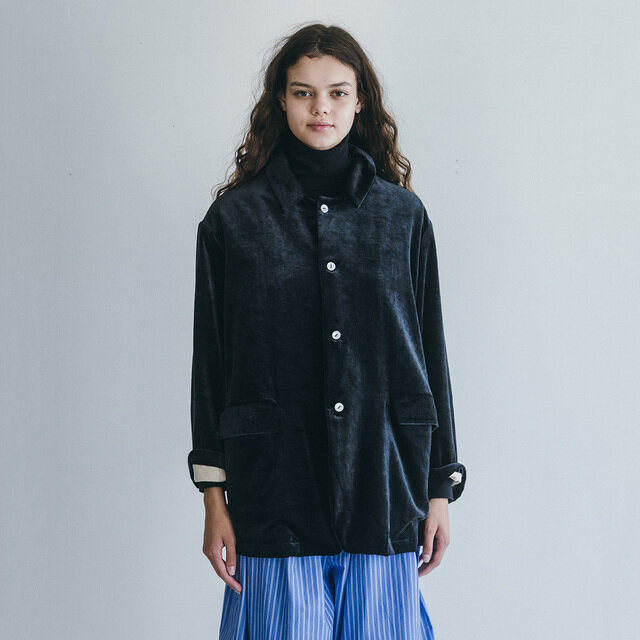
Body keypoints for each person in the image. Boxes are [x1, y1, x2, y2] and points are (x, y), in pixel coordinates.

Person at [187, 23, 467, 639]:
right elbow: (211, 363)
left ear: (360, 100)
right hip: (275, 487)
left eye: (338, 93)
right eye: (303, 93)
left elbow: (430, 351)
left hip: (383, 481)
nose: (321, 108)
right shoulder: (235, 220)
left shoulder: (402, 216)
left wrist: (439, 488)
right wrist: (213, 498)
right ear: (280, 100)